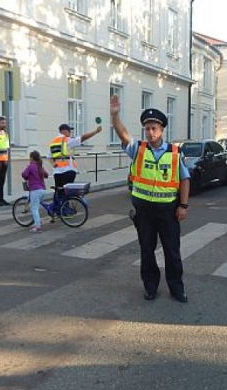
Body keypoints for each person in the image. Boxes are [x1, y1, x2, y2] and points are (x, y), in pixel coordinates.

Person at [110, 94, 191, 303]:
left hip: (168, 211)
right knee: (147, 251)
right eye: (147, 128)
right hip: (144, 211)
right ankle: (150, 287)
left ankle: (177, 289)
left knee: (172, 251)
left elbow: (185, 179)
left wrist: (183, 205)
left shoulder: (174, 152)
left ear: (162, 130)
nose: (150, 132)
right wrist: (115, 116)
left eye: (154, 128)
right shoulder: (138, 149)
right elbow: (123, 134)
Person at [49, 123, 102, 199]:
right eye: (69, 131)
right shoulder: (67, 140)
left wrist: (54, 164)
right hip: (68, 170)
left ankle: (58, 209)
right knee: (67, 192)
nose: (70, 133)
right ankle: (65, 208)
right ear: (64, 131)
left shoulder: (53, 142)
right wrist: (96, 131)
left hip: (57, 171)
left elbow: (49, 157)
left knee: (58, 191)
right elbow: (83, 138)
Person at [21, 150, 49, 233]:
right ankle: (38, 222)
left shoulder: (31, 166)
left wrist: (28, 174)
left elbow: (23, 174)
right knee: (36, 206)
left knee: (34, 208)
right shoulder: (40, 166)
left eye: (30, 157)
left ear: (32, 158)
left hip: (35, 190)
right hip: (42, 189)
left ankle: (37, 226)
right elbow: (46, 175)